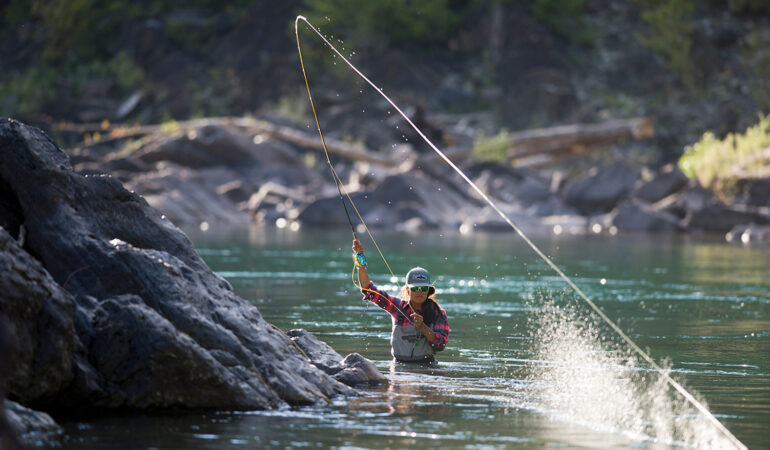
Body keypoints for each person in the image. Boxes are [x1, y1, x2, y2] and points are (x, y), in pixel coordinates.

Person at [352, 238, 449, 363]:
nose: (419, 292)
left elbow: (440, 345)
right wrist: (359, 257)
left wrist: (422, 327)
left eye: (424, 288)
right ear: (407, 290)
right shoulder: (397, 307)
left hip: (427, 367)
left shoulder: (438, 313)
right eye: (415, 288)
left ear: (429, 291)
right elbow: (368, 290)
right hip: (398, 367)